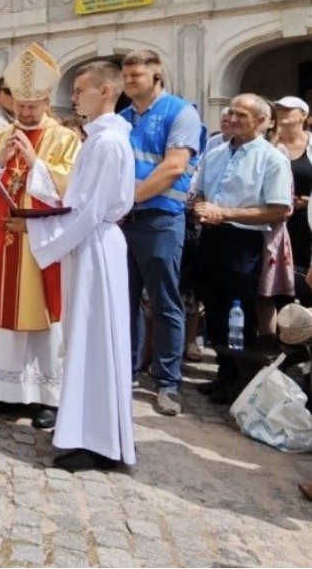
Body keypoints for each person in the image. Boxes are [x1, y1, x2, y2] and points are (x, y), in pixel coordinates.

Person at [21, 62, 136, 472]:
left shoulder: (108, 144)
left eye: (80, 89)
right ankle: (86, 432)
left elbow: (89, 210)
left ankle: (98, 442)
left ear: (105, 91)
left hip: (96, 247)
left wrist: (40, 232)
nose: (72, 97)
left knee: (95, 341)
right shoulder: (99, 138)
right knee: (85, 339)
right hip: (89, 243)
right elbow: (77, 200)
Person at [0, 44, 80, 429]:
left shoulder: (63, 139)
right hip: (5, 241)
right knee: (5, 313)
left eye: (33, 106)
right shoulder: (3, 136)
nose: (26, 112)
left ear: (46, 101)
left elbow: (70, 189)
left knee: (46, 316)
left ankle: (49, 397)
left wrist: (33, 160)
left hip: (43, 245)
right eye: (20, 105)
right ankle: (8, 391)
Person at [119, 49, 204, 416]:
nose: (129, 81)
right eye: (125, 76)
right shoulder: (122, 119)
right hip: (124, 222)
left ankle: (168, 382)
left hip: (161, 220)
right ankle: (127, 371)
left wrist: (128, 199)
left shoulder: (181, 112)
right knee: (125, 301)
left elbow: (173, 167)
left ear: (156, 75)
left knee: (164, 302)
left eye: (136, 75)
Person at [192, 94, 291, 404]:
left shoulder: (271, 159)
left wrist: (225, 213)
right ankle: (224, 374)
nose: (232, 119)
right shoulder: (215, 153)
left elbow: (278, 208)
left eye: (241, 115)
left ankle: (242, 380)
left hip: (243, 241)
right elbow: (199, 192)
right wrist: (201, 207)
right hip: (211, 236)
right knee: (214, 306)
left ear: (261, 121)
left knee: (240, 310)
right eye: (231, 112)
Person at [275, 97, 312, 305]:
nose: (282, 111)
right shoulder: (269, 144)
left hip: (307, 223)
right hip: (276, 221)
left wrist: (310, 202)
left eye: (289, 109)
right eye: (279, 108)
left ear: (303, 115)